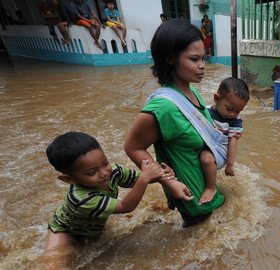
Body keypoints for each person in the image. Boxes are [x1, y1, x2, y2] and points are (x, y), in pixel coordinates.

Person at [124, 20, 225, 227]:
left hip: (208, 191)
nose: (202, 66)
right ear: (170, 58)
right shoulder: (164, 108)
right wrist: (169, 182)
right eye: (194, 59)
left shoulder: (191, 92)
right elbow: (132, 147)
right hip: (193, 201)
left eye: (203, 58)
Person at [42, 131, 193, 267]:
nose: (104, 173)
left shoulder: (113, 171)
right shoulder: (81, 198)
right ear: (68, 179)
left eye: (105, 163)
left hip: (90, 226)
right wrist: (146, 177)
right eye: (91, 172)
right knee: (54, 263)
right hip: (66, 230)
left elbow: (138, 179)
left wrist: (161, 174)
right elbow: (125, 207)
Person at [198, 77, 249, 205]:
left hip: (220, 152)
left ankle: (210, 188)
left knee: (206, 158)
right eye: (229, 109)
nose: (233, 114)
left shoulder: (234, 122)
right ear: (216, 98)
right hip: (208, 144)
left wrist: (230, 165)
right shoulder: (206, 111)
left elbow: (233, 142)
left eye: (238, 111)